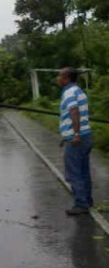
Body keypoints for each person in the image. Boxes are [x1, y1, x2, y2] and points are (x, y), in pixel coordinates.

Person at [57, 67, 93, 215]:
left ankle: (81, 204)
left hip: (76, 138)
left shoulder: (69, 92)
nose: (58, 78)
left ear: (66, 78)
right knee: (83, 171)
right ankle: (87, 201)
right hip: (85, 136)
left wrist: (75, 134)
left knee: (74, 173)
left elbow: (74, 112)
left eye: (60, 75)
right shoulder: (79, 91)